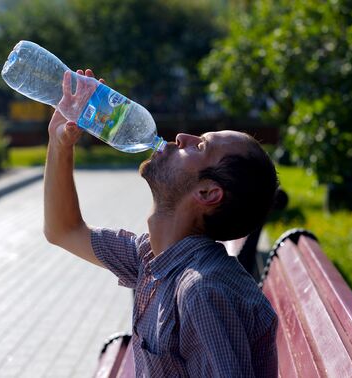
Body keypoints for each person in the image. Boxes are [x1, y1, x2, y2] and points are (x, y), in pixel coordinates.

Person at [43, 69, 279, 377]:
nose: (183, 137)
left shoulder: (202, 291)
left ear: (207, 193)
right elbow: (64, 230)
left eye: (201, 146)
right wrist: (60, 142)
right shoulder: (153, 257)